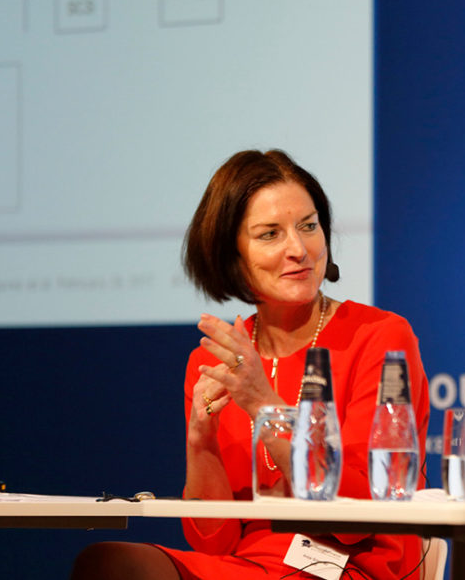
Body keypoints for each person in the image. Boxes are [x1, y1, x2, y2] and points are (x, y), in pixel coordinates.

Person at [71, 149, 430, 580]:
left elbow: (358, 516)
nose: (299, 249)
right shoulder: (214, 359)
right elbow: (213, 542)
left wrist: (262, 404)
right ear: (232, 255)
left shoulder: (380, 337)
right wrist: (201, 442)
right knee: (109, 564)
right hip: (248, 565)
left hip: (350, 565)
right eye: (270, 234)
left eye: (309, 226)